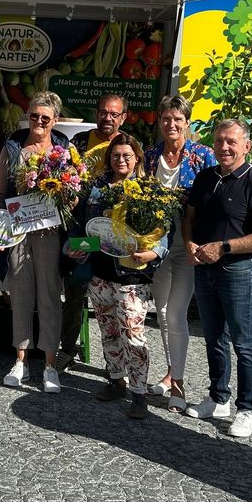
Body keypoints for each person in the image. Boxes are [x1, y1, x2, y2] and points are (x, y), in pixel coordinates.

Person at [182, 118, 252, 438]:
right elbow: (190, 217)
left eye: (231, 142)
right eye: (220, 140)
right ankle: (218, 397)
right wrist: (190, 244)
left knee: (244, 343)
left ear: (246, 146)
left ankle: (246, 409)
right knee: (213, 338)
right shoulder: (205, 177)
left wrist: (223, 248)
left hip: (238, 272)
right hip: (205, 270)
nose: (224, 147)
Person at [67, 133, 168, 419]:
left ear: (137, 158)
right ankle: (115, 380)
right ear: (109, 158)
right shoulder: (96, 188)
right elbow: (83, 227)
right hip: (100, 274)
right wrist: (73, 247)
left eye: (127, 155)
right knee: (108, 331)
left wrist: (155, 253)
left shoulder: (148, 189)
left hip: (131, 277)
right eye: (115, 155)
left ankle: (139, 392)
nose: (121, 160)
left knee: (134, 336)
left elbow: (165, 232)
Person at [0, 91, 76, 393]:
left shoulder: (64, 150)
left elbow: (73, 192)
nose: (39, 121)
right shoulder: (14, 147)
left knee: (50, 297)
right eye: (33, 116)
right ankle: (21, 360)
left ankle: (51, 365)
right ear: (27, 116)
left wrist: (69, 195)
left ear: (55, 120)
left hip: (50, 232)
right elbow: (1, 194)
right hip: (17, 231)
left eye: (45, 117)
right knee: (21, 295)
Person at [143, 95, 216, 412]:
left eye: (177, 119)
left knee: (176, 313)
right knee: (160, 313)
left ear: (187, 122)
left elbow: (215, 195)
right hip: (156, 244)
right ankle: (171, 372)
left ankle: (179, 384)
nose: (171, 124)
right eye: (166, 119)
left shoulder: (203, 156)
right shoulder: (150, 156)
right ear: (160, 122)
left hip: (188, 243)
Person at [55, 92, 129, 373]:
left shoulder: (127, 145)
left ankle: (118, 365)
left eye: (114, 114)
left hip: (114, 235)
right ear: (96, 113)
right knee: (75, 290)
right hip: (81, 227)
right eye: (103, 112)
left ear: (123, 117)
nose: (107, 118)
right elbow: (65, 179)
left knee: (115, 299)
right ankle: (67, 349)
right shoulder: (80, 142)